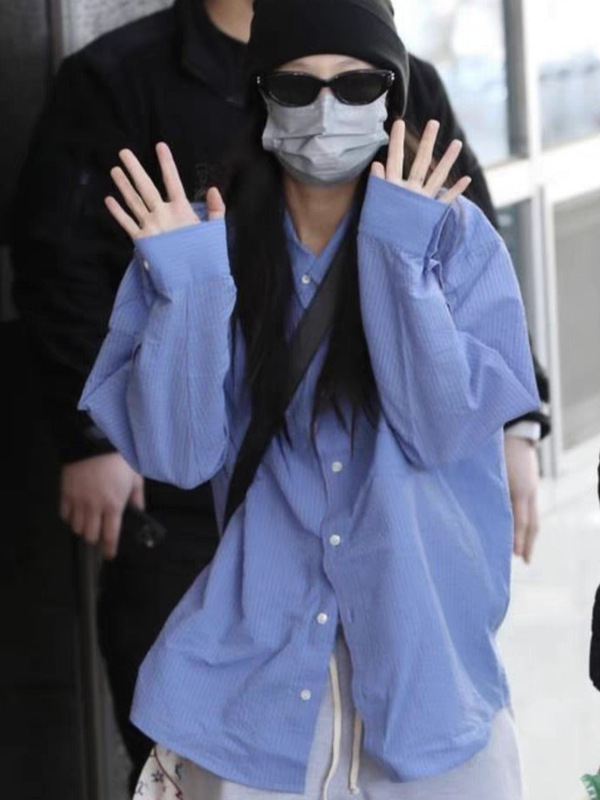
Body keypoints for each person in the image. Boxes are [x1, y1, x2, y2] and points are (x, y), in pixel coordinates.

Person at [10, 0, 549, 785]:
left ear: (392, 97)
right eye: (297, 87)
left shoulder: (453, 239)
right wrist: (187, 286)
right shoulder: (207, 244)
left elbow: (440, 428)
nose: (327, 112)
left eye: (357, 87)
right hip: (253, 674)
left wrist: (397, 256)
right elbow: (177, 454)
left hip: (428, 671)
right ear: (261, 95)